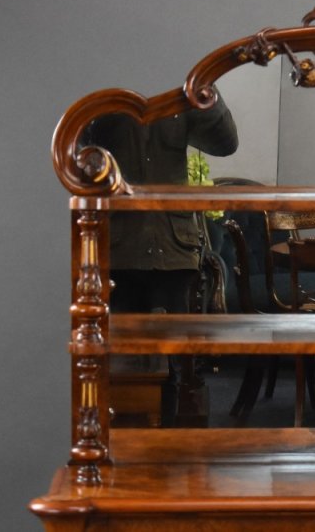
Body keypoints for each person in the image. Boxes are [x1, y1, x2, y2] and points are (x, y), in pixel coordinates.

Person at [84, 88, 238, 426]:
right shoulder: (109, 89)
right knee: (119, 356)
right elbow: (78, 144)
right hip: (119, 248)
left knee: (175, 359)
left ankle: (167, 443)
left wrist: (205, 91)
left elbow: (225, 144)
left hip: (173, 247)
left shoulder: (180, 93)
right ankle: (124, 442)